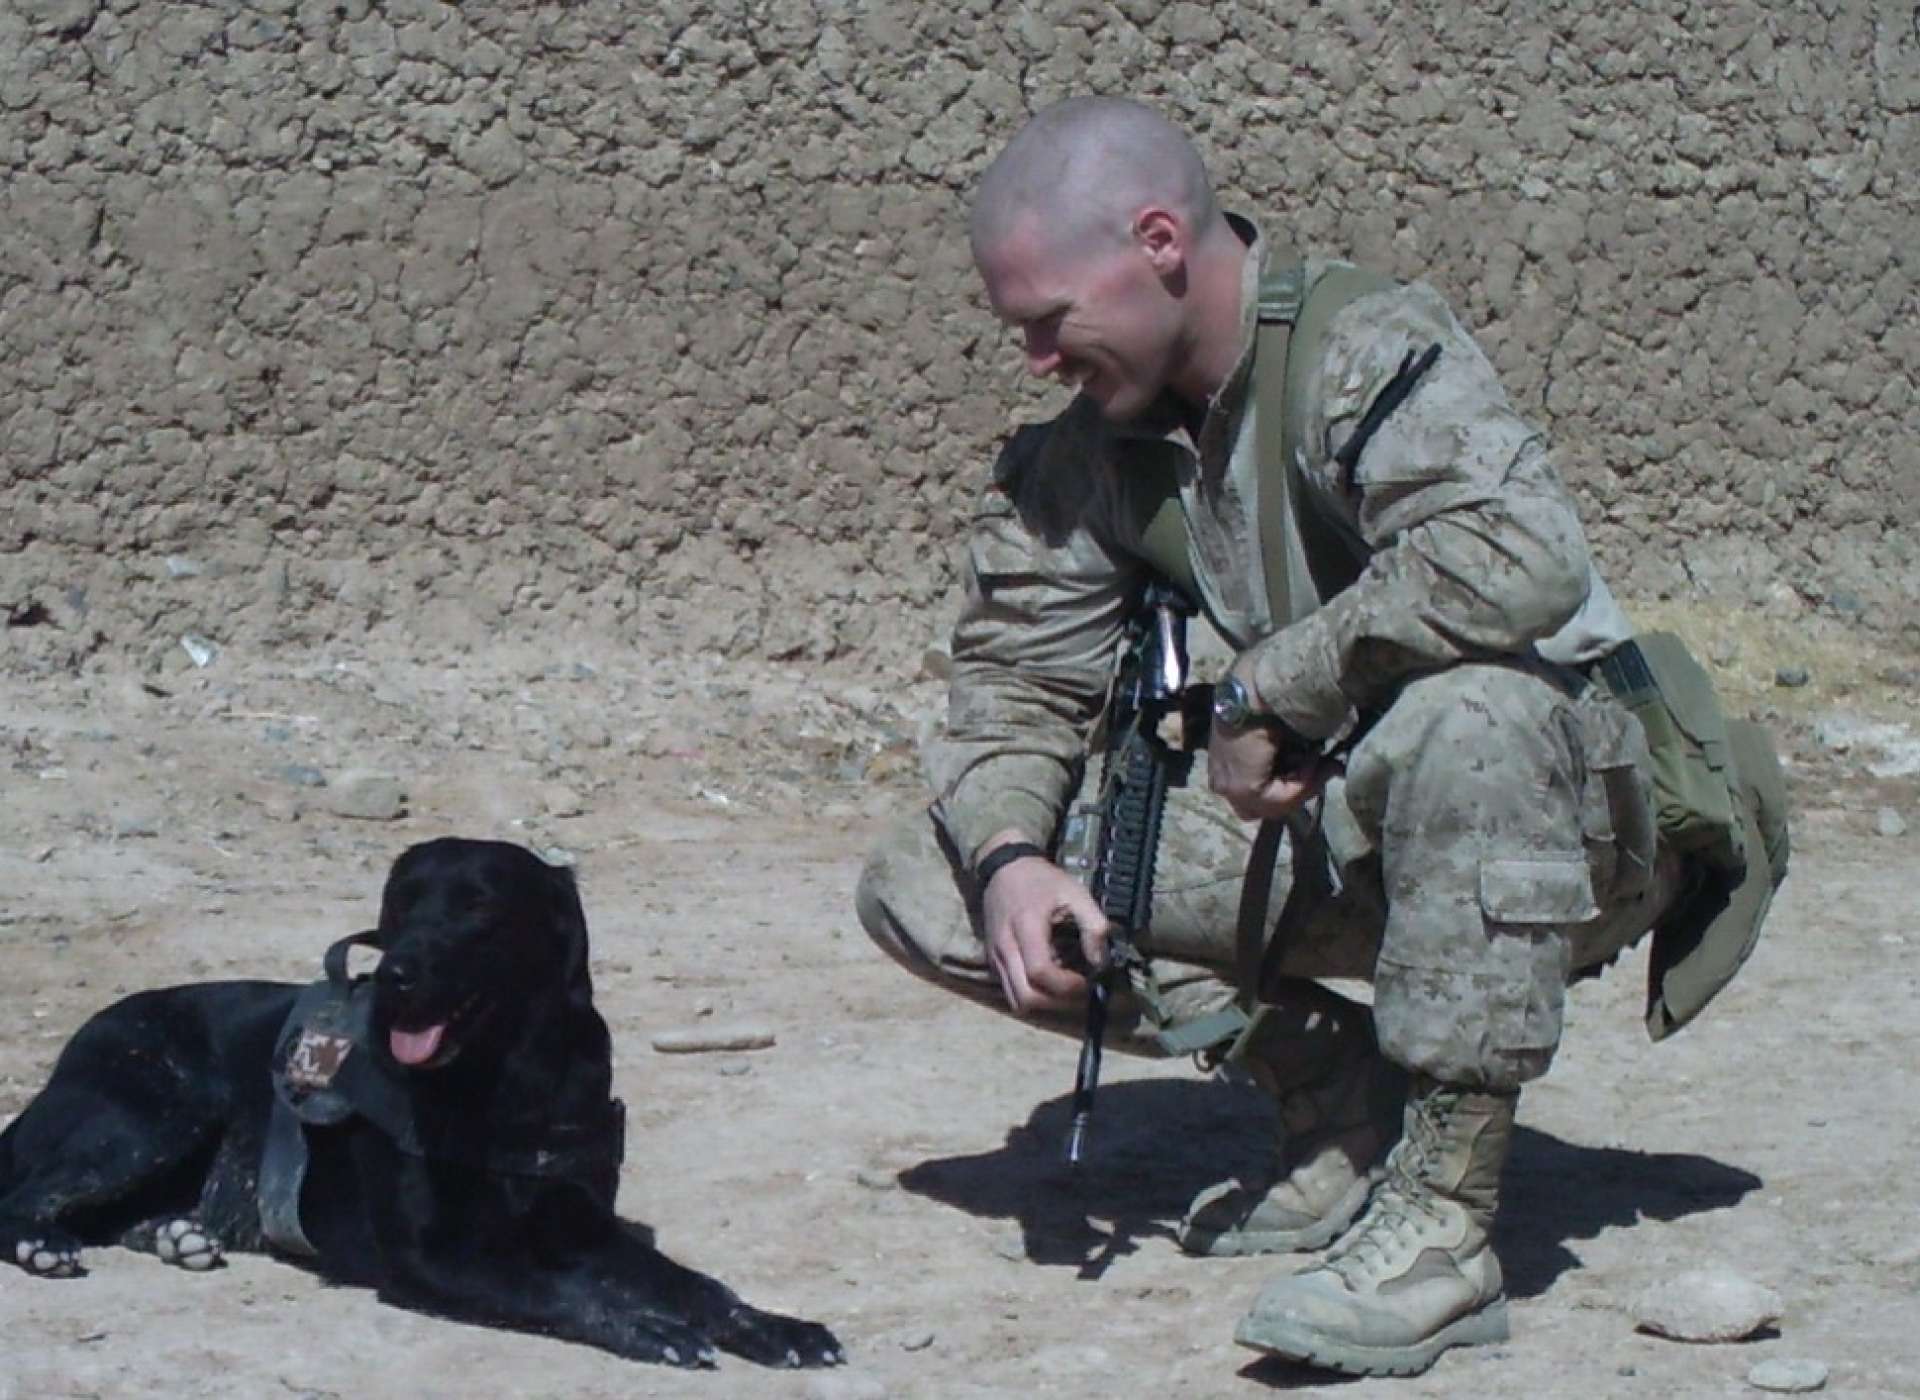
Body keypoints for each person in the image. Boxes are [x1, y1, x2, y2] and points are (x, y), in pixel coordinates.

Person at [856, 96, 1787, 1377]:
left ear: (1159, 241)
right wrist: (1018, 854)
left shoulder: (1361, 346)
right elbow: (1017, 688)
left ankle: (1444, 1226)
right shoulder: (1090, 456)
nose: (1034, 359)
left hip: (1567, 829)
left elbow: (1522, 560)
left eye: (1048, 321)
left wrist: (1269, 689)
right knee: (932, 875)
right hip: (1342, 828)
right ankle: (1342, 1101)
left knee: (1478, 712)